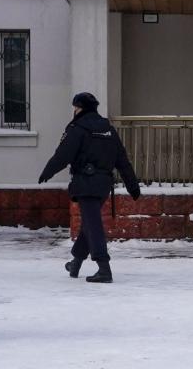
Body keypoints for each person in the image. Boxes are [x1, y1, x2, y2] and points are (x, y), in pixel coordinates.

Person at [38, 92, 141, 283]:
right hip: (103, 186)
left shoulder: (77, 128)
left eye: (76, 107)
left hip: (86, 183)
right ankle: (76, 262)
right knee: (89, 224)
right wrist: (132, 186)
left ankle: (104, 268)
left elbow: (63, 154)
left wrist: (47, 172)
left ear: (81, 108)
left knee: (93, 225)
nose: (74, 111)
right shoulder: (108, 129)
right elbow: (122, 159)